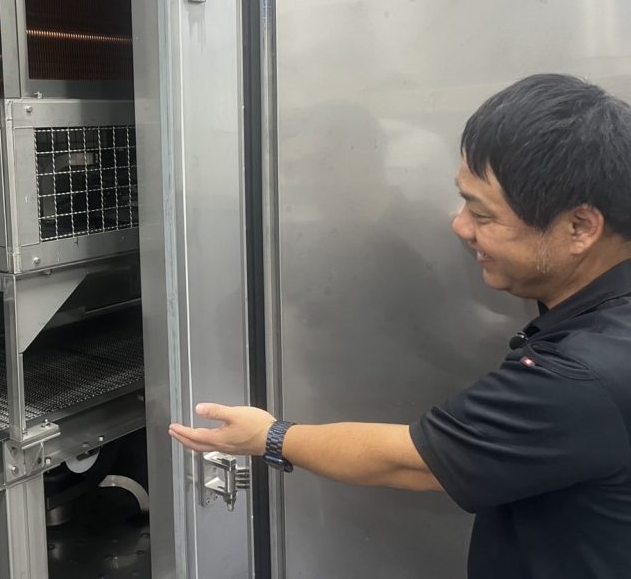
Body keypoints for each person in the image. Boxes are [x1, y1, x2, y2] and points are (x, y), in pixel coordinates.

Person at [170, 74, 631, 579]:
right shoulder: (596, 315)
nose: (461, 226)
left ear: (580, 228)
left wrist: (270, 436)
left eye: (483, 215)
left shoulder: (581, 374)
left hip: (439, 480)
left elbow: (413, 459)